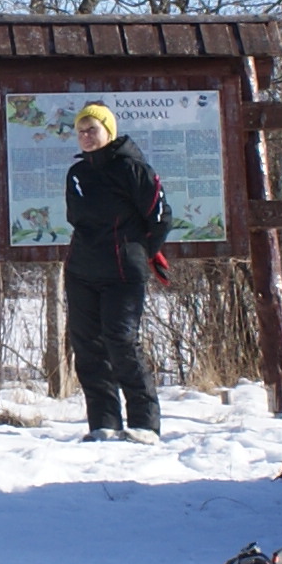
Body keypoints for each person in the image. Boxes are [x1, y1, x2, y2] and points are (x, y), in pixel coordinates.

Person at [60, 103, 171, 439]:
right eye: (81, 131)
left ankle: (143, 423)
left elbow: (160, 218)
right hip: (82, 270)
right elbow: (76, 219)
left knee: (120, 341)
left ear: (108, 130)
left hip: (123, 271)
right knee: (87, 346)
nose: (86, 136)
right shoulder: (77, 174)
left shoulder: (133, 168)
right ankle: (104, 423)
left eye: (92, 129)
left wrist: (136, 251)